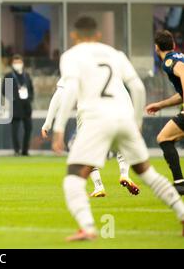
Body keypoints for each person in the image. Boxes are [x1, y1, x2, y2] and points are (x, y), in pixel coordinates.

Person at [52, 17, 184, 241]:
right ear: (98, 35)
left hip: (96, 119)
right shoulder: (115, 54)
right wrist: (137, 122)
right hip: (123, 117)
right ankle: (182, 214)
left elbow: (71, 90)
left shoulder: (71, 56)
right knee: (147, 173)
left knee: (74, 177)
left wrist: (58, 129)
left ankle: (87, 227)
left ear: (74, 36)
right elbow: (137, 87)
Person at [42, 77, 140, 197]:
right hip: (115, 108)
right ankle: (124, 174)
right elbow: (125, 92)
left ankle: (98, 186)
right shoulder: (111, 61)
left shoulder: (76, 63)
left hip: (88, 111)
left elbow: (60, 94)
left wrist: (48, 122)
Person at [145, 30, 184, 195]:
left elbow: (182, 72)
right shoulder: (179, 56)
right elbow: (181, 95)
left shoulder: (168, 61)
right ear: (173, 45)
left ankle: (180, 184)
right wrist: (160, 105)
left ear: (156, 48)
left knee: (163, 138)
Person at [3, 55, 33, 156]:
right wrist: (13, 98)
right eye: (15, 63)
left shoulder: (27, 75)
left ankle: (25, 150)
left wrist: (30, 99)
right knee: (15, 130)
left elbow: (31, 89)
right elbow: (4, 90)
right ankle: (17, 150)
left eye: (19, 62)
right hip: (15, 106)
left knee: (28, 128)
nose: (18, 65)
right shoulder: (9, 76)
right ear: (12, 64)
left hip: (26, 106)